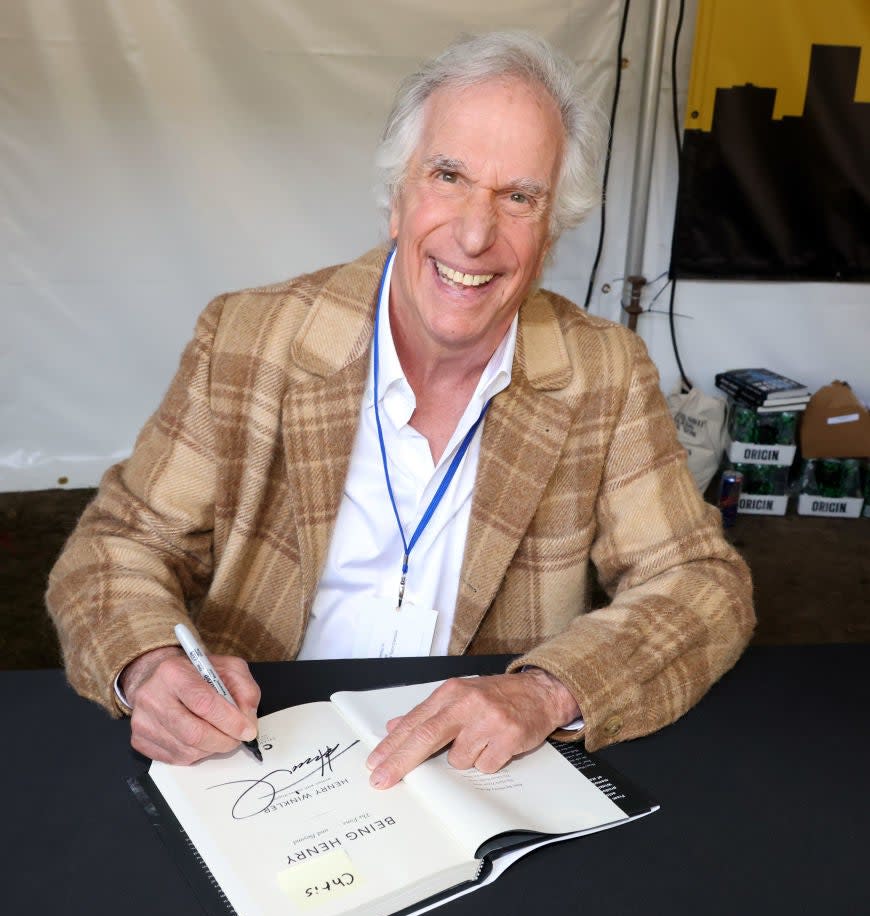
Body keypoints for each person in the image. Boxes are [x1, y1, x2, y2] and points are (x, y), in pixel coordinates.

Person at [46, 30, 754, 782]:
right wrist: (150, 662)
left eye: (519, 197)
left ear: (550, 232)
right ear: (396, 200)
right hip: (259, 753)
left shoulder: (603, 372)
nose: (476, 234)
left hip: (472, 770)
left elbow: (702, 583)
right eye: (448, 176)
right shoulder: (250, 339)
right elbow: (116, 547)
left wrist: (546, 693)